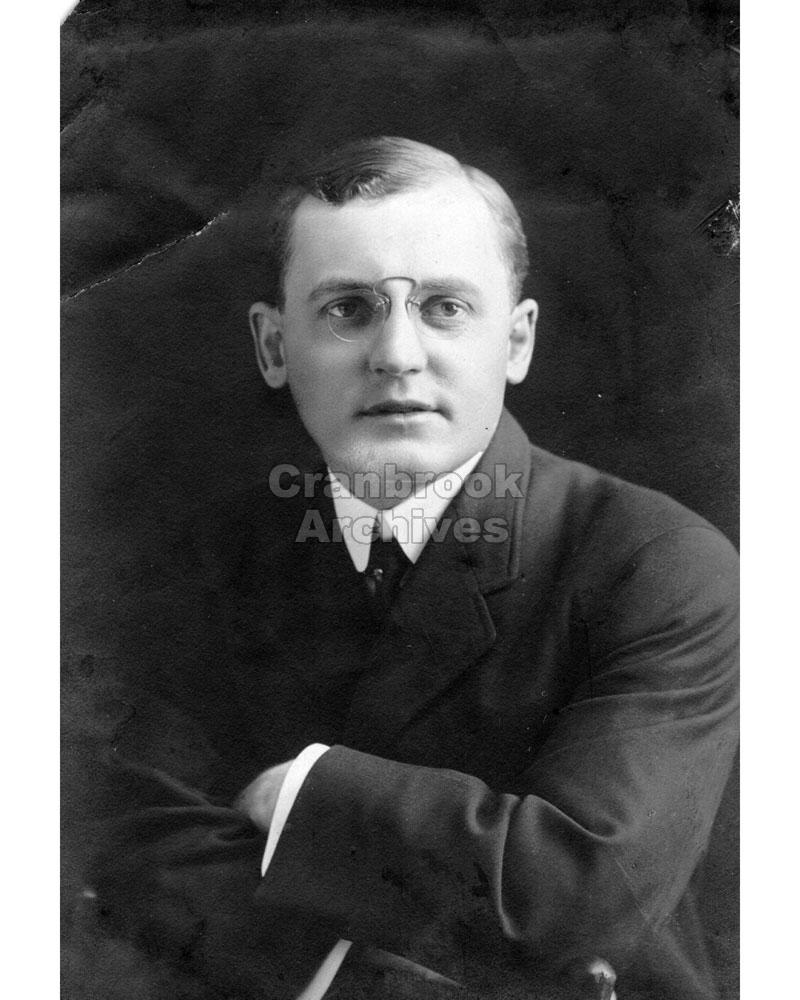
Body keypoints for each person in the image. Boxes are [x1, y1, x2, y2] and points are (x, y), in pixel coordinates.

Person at [82, 137, 739, 1000]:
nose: (396, 353)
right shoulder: (203, 560)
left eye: (445, 308)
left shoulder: (659, 563)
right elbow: (117, 830)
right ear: (274, 346)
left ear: (516, 341)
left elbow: (574, 891)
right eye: (348, 309)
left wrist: (299, 793)